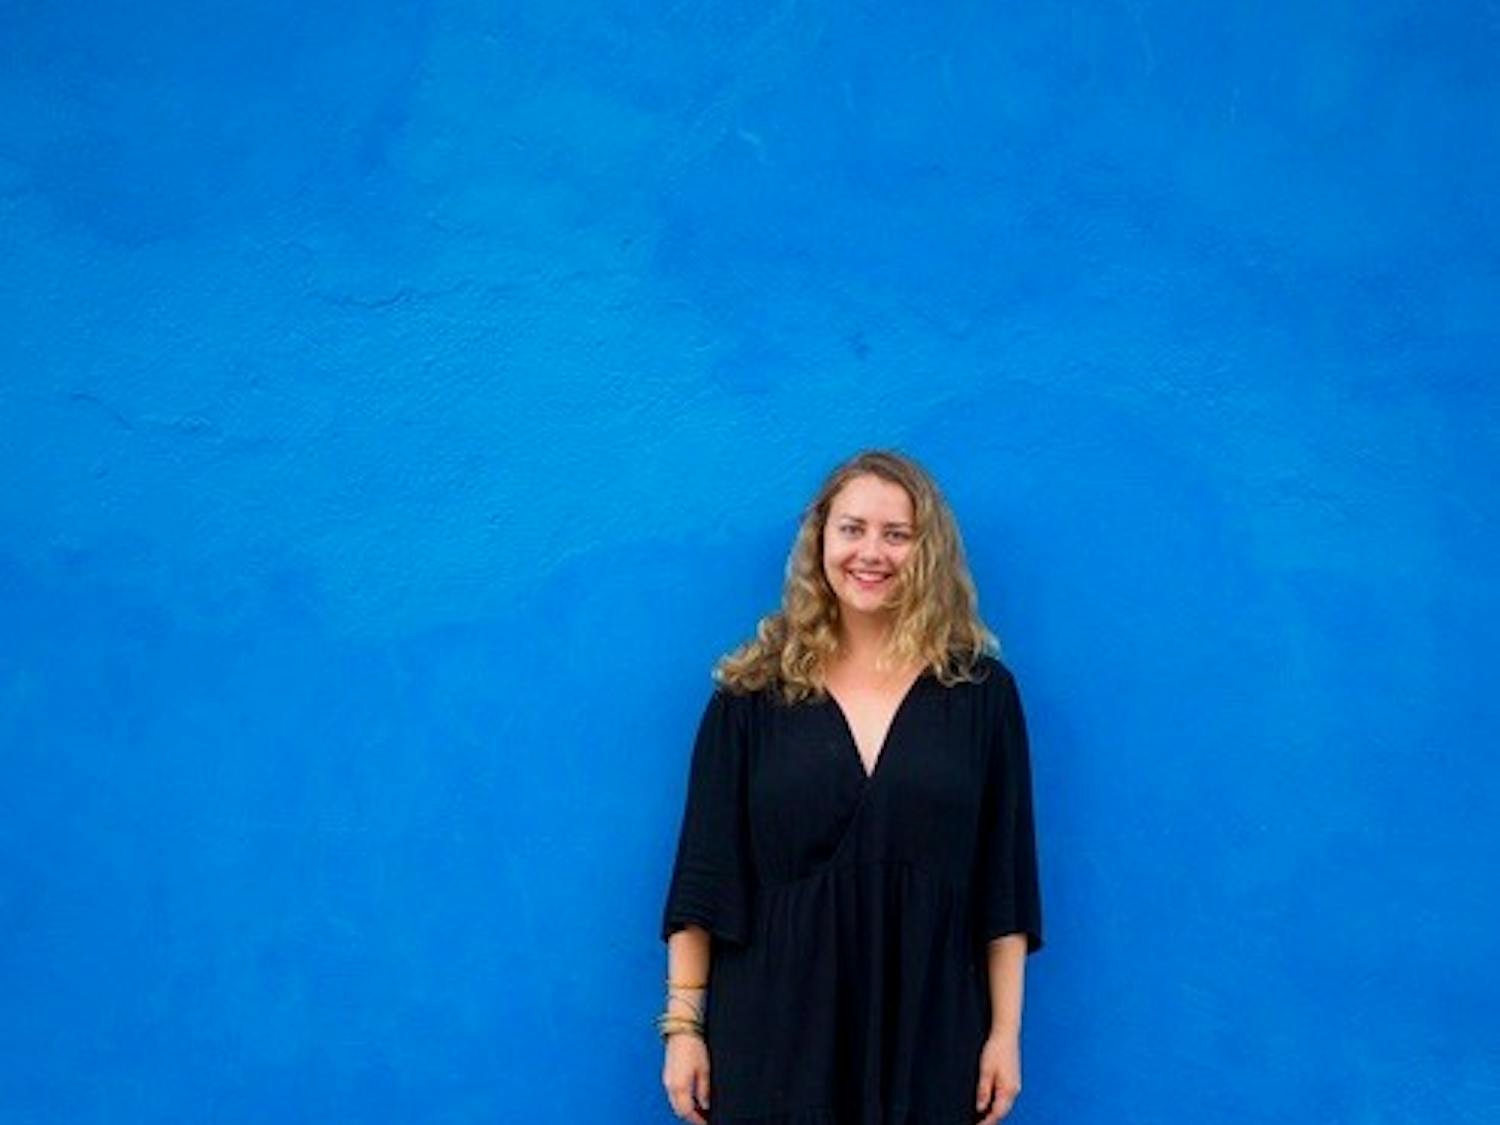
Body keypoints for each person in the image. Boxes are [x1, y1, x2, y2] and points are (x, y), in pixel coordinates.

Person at [657, 449, 1044, 1124]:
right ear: (820, 541)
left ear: (929, 551)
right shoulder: (752, 695)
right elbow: (705, 875)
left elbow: (1003, 884)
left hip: (930, 1027)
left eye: (897, 534)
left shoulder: (982, 696)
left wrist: (1005, 1034)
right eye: (852, 528)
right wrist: (684, 1029)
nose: (872, 552)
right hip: (773, 1031)